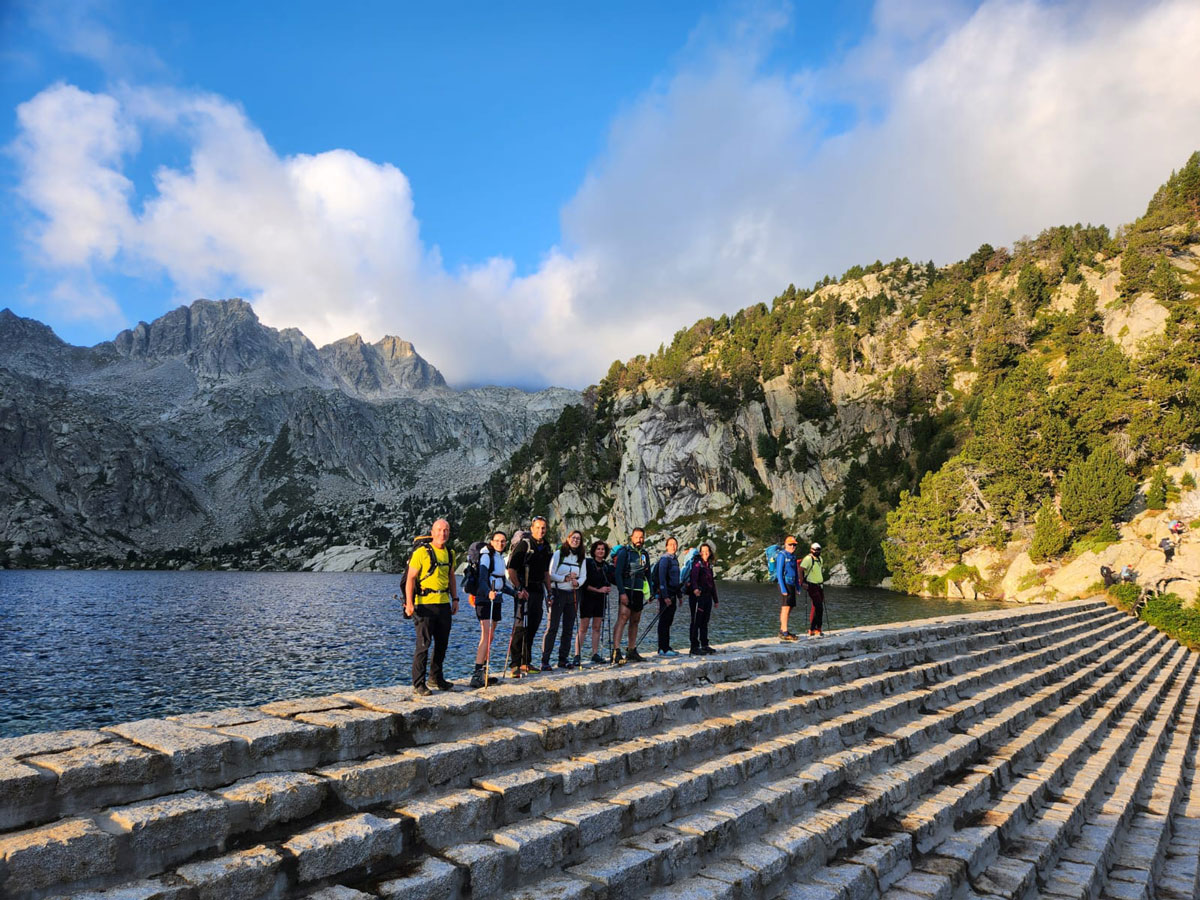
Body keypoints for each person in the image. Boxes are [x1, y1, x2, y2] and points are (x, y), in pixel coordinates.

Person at [405, 519, 459, 696]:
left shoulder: (450, 553)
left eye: (446, 530)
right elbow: (411, 578)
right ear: (432, 532)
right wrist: (410, 603)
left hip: (443, 603)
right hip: (425, 604)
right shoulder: (421, 552)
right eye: (439, 530)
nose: (443, 533)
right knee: (423, 645)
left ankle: (436, 678)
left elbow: (451, 576)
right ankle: (418, 683)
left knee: (442, 643)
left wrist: (455, 599)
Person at [506, 516, 553, 677]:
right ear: (532, 529)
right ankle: (514, 664)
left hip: (538, 590)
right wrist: (519, 588)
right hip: (524, 591)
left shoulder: (546, 547)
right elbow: (511, 569)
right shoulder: (524, 545)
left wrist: (550, 592)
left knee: (532, 626)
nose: (541, 531)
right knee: (520, 627)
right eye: (538, 528)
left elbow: (546, 571)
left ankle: (526, 662)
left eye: (544, 528)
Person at [470, 530, 509, 689]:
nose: (500, 543)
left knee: (490, 637)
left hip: (496, 599)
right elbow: (482, 578)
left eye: (503, 541)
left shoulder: (499, 557)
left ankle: (483, 672)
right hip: (485, 600)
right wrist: (488, 593)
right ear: (491, 541)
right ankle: (477, 675)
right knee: (485, 636)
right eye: (497, 540)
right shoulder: (486, 556)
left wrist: (516, 593)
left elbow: (502, 583)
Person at [544, 530, 586, 670]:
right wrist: (566, 578)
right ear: (568, 539)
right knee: (553, 627)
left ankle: (563, 659)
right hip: (558, 592)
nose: (575, 540)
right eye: (573, 538)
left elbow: (583, 576)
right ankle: (545, 660)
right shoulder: (559, 554)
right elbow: (550, 574)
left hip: (573, 594)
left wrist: (578, 583)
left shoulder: (581, 557)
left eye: (578, 539)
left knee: (568, 628)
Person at [612, 527, 651, 664]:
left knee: (635, 620)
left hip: (639, 591)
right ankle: (616, 651)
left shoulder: (645, 554)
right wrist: (622, 592)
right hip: (627, 589)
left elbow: (648, 574)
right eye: (637, 537)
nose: (639, 540)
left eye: (641, 537)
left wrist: (650, 592)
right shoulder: (625, 552)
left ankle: (631, 650)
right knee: (622, 618)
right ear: (631, 538)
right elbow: (618, 574)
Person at [576, 540, 612, 665]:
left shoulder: (606, 566)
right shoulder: (587, 563)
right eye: (598, 549)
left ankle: (595, 654)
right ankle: (577, 655)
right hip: (587, 598)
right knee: (583, 627)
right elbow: (584, 584)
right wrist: (599, 590)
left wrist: (607, 588)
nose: (601, 551)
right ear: (594, 551)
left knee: (597, 627)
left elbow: (609, 580)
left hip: (600, 600)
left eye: (603, 549)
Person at [687, 541, 718, 655]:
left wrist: (716, 599)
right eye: (703, 551)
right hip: (697, 596)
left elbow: (712, 584)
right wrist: (695, 589)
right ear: (700, 553)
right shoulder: (697, 564)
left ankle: (704, 644)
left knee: (705, 621)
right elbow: (693, 578)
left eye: (707, 551)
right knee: (696, 621)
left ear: (710, 553)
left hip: (707, 596)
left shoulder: (708, 565)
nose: (705, 553)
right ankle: (694, 646)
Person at [653, 537, 682, 656]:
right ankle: (663, 648)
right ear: (666, 546)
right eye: (670, 544)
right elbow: (662, 579)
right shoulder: (665, 559)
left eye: (675, 544)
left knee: (668, 621)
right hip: (667, 595)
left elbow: (677, 580)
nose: (673, 546)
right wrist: (665, 596)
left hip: (673, 594)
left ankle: (665, 646)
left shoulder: (675, 560)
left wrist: (679, 595)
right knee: (664, 621)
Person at [776, 535, 800, 641]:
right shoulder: (782, 555)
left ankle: (783, 629)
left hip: (792, 584)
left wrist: (798, 586)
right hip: (785, 583)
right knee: (785, 608)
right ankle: (784, 632)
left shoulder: (793, 557)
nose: (792, 546)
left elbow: (795, 572)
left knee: (790, 607)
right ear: (785, 545)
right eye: (790, 544)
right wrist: (783, 588)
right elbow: (779, 573)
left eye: (794, 545)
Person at [799, 542, 826, 637]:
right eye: (815, 549)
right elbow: (801, 569)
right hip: (812, 585)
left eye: (819, 549)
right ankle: (814, 628)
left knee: (818, 607)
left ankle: (816, 628)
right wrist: (802, 582)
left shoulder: (820, 559)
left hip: (819, 585)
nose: (817, 551)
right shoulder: (808, 559)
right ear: (811, 549)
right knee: (818, 606)